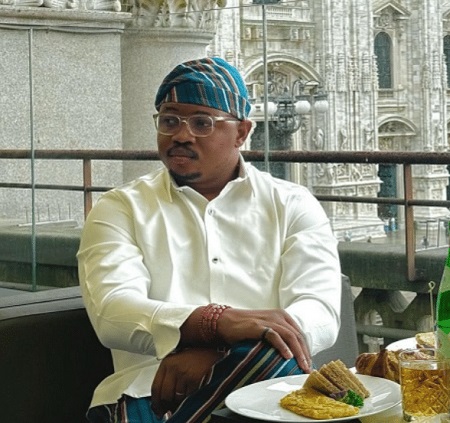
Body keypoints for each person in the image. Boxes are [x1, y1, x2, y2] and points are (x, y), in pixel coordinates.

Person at [77, 57, 342, 423]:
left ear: (242, 132)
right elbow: (112, 313)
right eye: (170, 121)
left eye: (202, 122)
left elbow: (320, 312)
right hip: (149, 391)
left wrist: (219, 352)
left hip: (264, 388)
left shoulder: (292, 204)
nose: (181, 135)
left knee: (278, 354)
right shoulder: (120, 208)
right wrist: (214, 323)